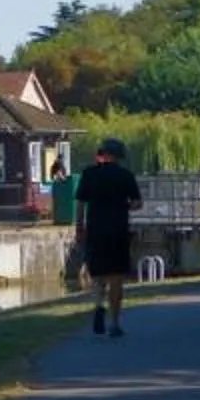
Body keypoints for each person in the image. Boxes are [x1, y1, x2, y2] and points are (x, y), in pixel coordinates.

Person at [73, 136, 143, 337]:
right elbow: (138, 203)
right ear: (120, 156)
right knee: (116, 278)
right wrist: (125, 205)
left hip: (96, 230)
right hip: (118, 230)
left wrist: (79, 228)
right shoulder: (125, 175)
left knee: (97, 275)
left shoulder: (89, 174)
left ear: (102, 153)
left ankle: (97, 305)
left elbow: (80, 203)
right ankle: (114, 322)